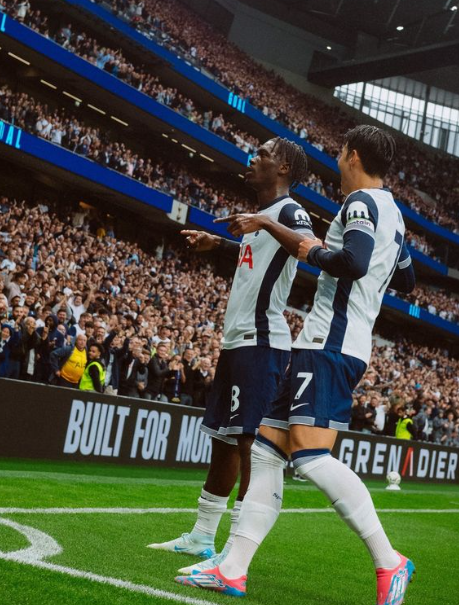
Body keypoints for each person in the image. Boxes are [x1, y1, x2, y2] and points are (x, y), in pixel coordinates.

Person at [175, 125, 416, 604]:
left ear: (352, 155)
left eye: (340, 153)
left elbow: (354, 262)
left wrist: (313, 251)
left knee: (309, 456)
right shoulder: (394, 214)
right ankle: (232, 569)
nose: (337, 161)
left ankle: (389, 559)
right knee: (267, 450)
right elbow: (405, 280)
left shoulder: (360, 203)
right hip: (335, 341)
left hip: (330, 341)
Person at [148, 137, 312, 570]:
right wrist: (218, 244)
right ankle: (202, 537)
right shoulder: (263, 219)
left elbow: (308, 246)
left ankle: (233, 552)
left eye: (264, 154)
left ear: (284, 169)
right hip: (236, 341)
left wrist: (263, 222)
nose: (253, 158)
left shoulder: (288, 211)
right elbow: (257, 255)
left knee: (249, 443)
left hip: (263, 342)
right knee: (224, 439)